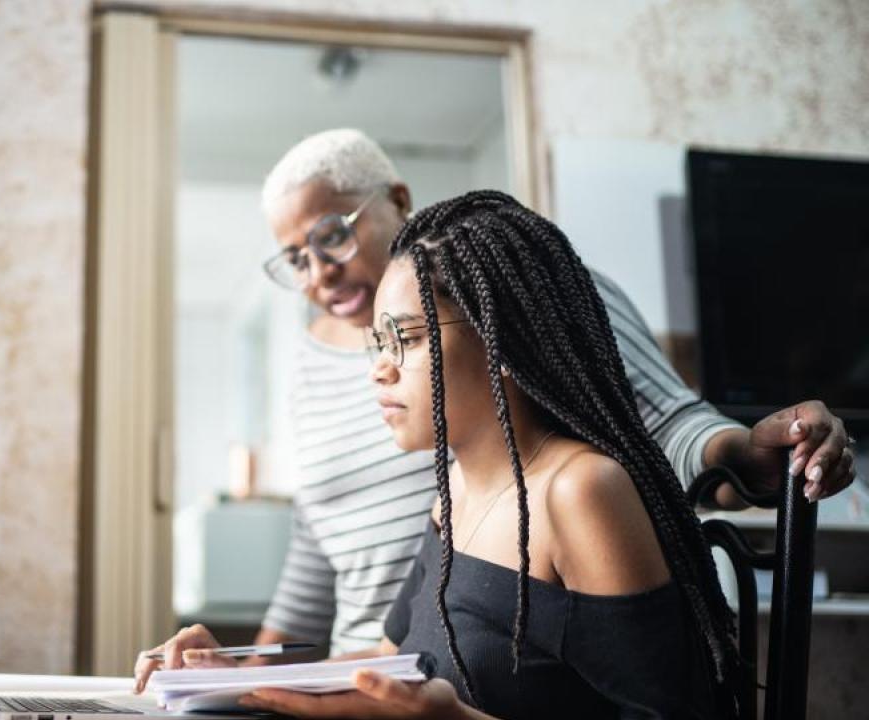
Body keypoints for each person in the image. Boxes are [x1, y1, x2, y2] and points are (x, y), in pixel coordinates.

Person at [241, 129, 854, 660]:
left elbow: (665, 425)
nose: (318, 270)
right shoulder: (307, 367)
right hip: (382, 665)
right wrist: (246, 671)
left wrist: (745, 457)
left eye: (331, 236)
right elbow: (315, 541)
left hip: (500, 673)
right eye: (296, 258)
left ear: (396, 200)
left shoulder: (526, 297)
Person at [139, 191, 737, 718]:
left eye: (409, 337)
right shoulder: (453, 493)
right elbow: (390, 658)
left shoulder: (580, 491)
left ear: (502, 335)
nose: (379, 367)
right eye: (379, 340)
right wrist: (232, 681)